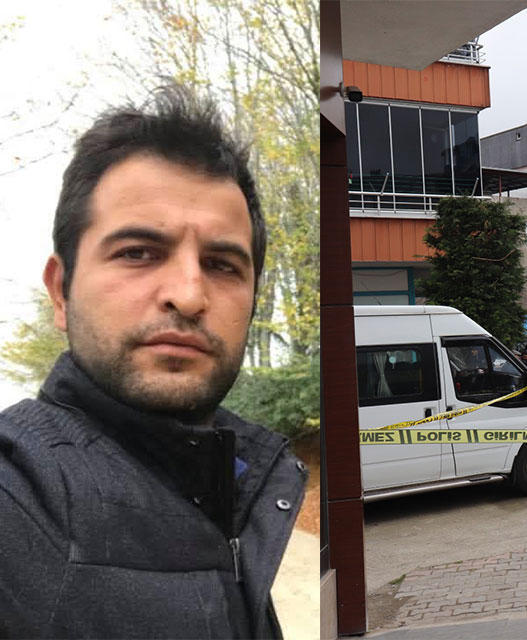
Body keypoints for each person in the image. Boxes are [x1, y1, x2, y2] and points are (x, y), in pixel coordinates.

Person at [0, 85, 305, 638]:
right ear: (61, 291)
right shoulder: (17, 490)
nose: (188, 295)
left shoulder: (239, 479)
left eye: (222, 264)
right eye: (138, 253)